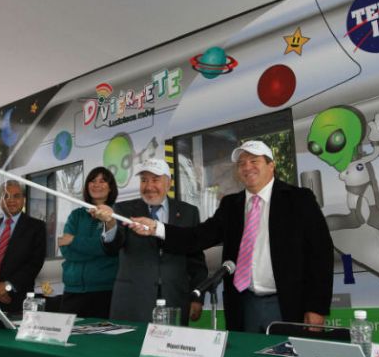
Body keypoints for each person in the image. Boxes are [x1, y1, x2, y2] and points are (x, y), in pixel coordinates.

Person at [127, 142, 334, 333]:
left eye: (254, 161)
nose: (247, 167)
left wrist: (317, 307)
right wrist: (157, 228)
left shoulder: (299, 199)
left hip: (287, 304)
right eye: (241, 163)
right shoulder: (231, 205)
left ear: (271, 165)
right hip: (244, 305)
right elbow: (197, 237)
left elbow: (321, 255)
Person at [93, 158, 207, 326]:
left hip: (175, 299)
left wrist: (197, 297)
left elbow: (196, 260)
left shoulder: (188, 212)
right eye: (144, 180)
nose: (149, 186)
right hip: (132, 301)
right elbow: (112, 247)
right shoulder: (123, 209)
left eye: (155, 180)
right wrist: (110, 224)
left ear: (168, 183)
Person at [0, 180, 47, 314]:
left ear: (23, 199)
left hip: (20, 302)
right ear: (0, 200)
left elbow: (34, 263)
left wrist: (7, 286)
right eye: (5, 196)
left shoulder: (36, 227)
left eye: (16, 196)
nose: (11, 200)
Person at [57, 167, 120, 318]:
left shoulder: (117, 215)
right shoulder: (76, 215)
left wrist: (74, 240)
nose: (96, 184)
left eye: (102, 181)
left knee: (101, 334)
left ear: (110, 187)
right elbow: (66, 250)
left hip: (104, 291)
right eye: (92, 180)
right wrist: (97, 247)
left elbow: (109, 248)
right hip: (72, 290)